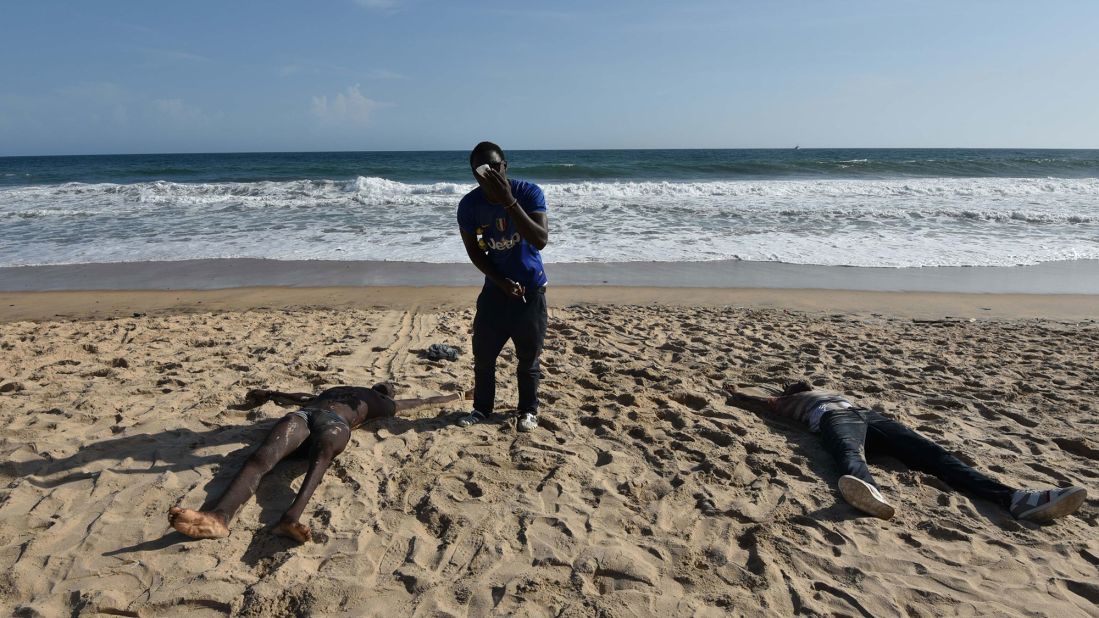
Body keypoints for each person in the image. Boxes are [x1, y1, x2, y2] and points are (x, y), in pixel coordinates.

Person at [726, 380, 1087, 522]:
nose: (800, 385)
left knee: (935, 455)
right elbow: (754, 398)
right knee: (849, 453)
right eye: (795, 386)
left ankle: (1018, 499)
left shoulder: (825, 388)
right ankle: (867, 491)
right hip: (834, 418)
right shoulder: (790, 403)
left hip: (867, 415)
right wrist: (742, 395)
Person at [168, 384, 461, 542]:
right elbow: (301, 398)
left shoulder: (380, 402)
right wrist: (271, 394)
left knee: (320, 459)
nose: (385, 387)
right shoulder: (343, 391)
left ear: (386, 393)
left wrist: (455, 396)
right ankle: (218, 518)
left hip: (332, 423)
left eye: (387, 389)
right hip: (305, 416)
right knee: (262, 457)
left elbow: (418, 403)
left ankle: (290, 517)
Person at [455, 141, 550, 432]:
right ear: (475, 175)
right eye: (483, 170)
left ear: (505, 166)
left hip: (531, 290)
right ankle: (482, 409)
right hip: (496, 291)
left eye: (495, 167)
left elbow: (540, 240)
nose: (490, 174)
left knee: (527, 359)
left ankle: (527, 411)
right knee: (483, 356)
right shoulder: (470, 206)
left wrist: (509, 201)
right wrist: (500, 281)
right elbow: (474, 251)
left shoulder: (528, 193)